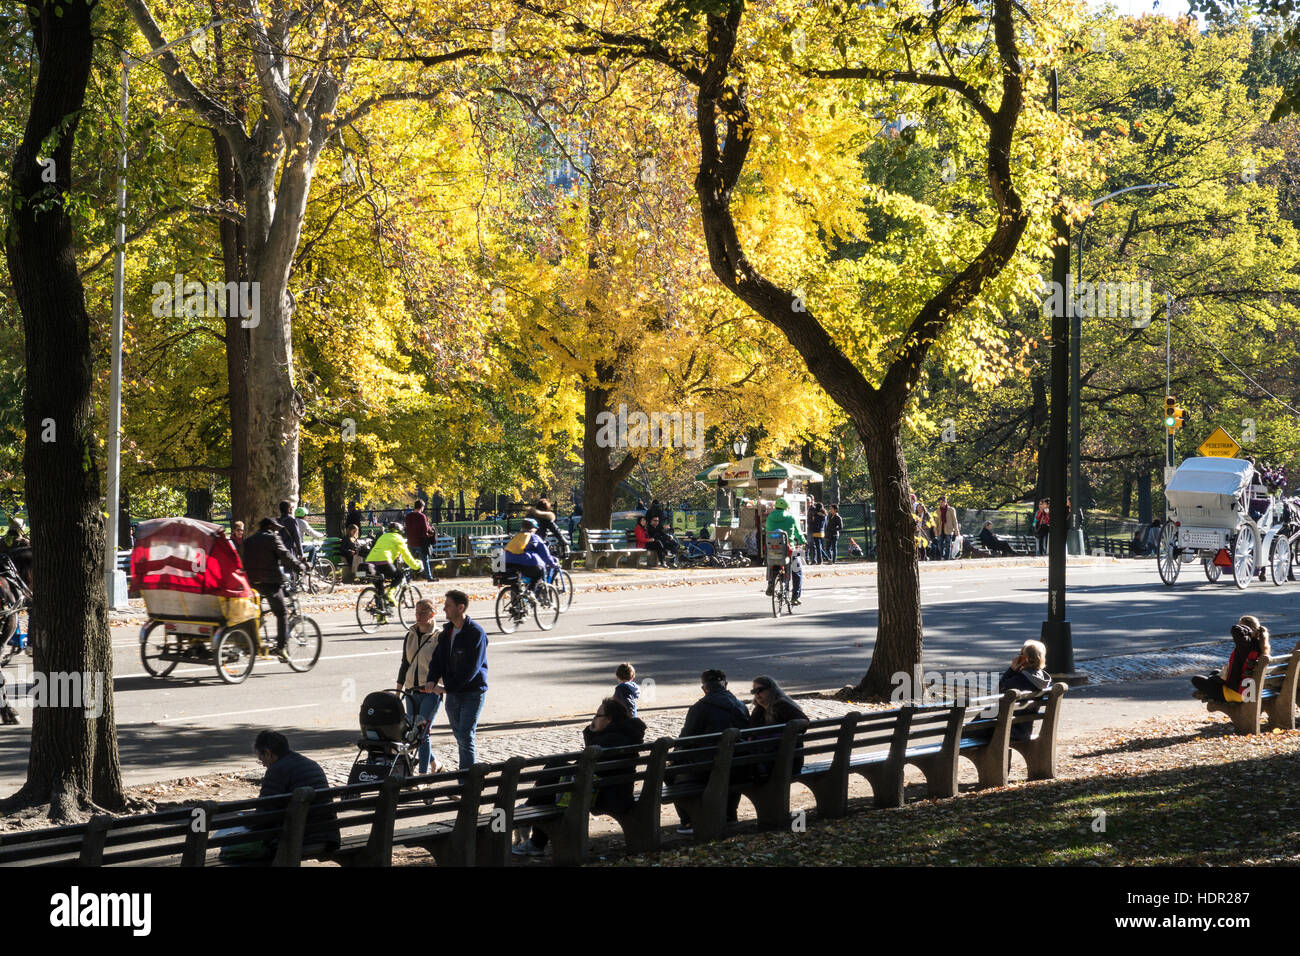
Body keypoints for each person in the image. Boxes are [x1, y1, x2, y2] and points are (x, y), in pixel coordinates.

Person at [513, 697, 648, 857]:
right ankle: (533, 826)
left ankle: (532, 824)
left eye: (597, 716)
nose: (594, 719)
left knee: (555, 768)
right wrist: (593, 732)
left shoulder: (609, 740)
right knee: (556, 776)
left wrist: (590, 733)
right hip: (616, 792)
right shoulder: (624, 736)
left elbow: (581, 767)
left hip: (606, 797)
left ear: (609, 719)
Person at [674, 669, 750, 833]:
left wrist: (675, 757)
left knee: (671, 772)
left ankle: (689, 820)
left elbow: (685, 739)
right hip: (741, 766)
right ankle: (729, 815)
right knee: (730, 765)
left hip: (709, 768)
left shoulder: (700, 708)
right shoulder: (741, 705)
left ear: (704, 688)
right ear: (726, 685)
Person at [426, 590, 488, 770]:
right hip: (453, 694)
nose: (444, 608)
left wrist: (447, 688)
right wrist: (431, 679)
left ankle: (467, 781)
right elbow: (437, 660)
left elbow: (471, 669)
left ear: (460, 608)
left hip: (472, 693)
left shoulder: (475, 633)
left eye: (448, 605)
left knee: (465, 735)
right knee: (460, 736)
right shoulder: (446, 632)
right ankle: (468, 776)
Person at [254, 730, 339, 853]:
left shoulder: (277, 770)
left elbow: (264, 815)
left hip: (297, 842)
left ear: (268, 753)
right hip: (328, 838)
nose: (263, 765)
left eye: (260, 759)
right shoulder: (311, 764)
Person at [241, 518, 305, 659]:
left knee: (256, 613)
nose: (277, 530)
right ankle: (281, 648)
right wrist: (300, 566)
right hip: (270, 582)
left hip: (251, 583)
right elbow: (285, 555)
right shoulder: (272, 538)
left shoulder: (249, 540)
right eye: (276, 528)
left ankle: (250, 640)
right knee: (282, 613)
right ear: (270, 527)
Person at [396, 598, 445, 775]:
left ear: (433, 614)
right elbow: (404, 664)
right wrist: (398, 690)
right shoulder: (410, 634)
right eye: (417, 612)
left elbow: (444, 665)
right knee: (413, 734)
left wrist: (442, 687)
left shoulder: (439, 637)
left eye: (424, 612)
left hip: (431, 691)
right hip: (411, 691)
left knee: (421, 733)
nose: (419, 615)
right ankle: (435, 764)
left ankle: (422, 776)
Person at [1192, 617, 1269, 704]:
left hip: (1238, 694)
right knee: (1215, 673)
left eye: (1240, 624)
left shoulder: (1246, 645)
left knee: (1196, 679)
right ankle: (1208, 693)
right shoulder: (1261, 645)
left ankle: (1208, 694)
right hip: (1250, 691)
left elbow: (1235, 630)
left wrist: (1248, 631)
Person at [748, 675, 808, 778]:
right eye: (754, 692)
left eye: (760, 690)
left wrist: (786, 732)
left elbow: (804, 722)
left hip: (787, 763)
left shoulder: (782, 706)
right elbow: (750, 732)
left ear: (771, 690)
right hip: (773, 760)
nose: (757, 694)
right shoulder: (759, 710)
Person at [1000, 640, 1052, 742]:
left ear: (1025, 659)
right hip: (1024, 730)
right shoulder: (1042, 679)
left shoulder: (1020, 679)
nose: (1017, 657)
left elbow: (999, 688)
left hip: (1008, 730)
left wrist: (1012, 670)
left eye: (1020, 655)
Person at [364, 522, 421, 614]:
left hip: (370, 563)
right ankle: (391, 593)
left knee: (380, 591)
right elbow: (407, 557)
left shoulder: (383, 536)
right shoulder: (398, 538)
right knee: (399, 576)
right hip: (384, 562)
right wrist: (417, 566)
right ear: (400, 531)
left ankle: (381, 616)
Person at [764, 497, 805, 605]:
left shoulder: (769, 517)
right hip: (788, 549)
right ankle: (795, 597)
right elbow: (798, 532)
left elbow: (767, 529)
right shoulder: (791, 517)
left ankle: (770, 583)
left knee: (771, 563)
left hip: (772, 549)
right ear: (787, 507)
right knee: (797, 570)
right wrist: (803, 541)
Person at [503, 517, 559, 593]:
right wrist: (552, 564)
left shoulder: (516, 537)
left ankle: (516, 599)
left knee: (516, 579)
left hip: (508, 562)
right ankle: (531, 592)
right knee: (538, 573)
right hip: (525, 562)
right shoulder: (534, 537)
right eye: (535, 528)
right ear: (533, 528)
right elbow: (544, 554)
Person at [404, 499, 436, 581]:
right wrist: (430, 533)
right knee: (425, 560)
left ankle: (406, 578)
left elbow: (407, 528)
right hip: (420, 542)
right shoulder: (422, 516)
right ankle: (429, 577)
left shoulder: (408, 516)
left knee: (408, 561)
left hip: (410, 541)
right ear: (421, 507)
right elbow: (425, 529)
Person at [936, 495, 959, 560]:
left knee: (948, 545)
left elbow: (955, 521)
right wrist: (935, 530)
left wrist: (956, 530)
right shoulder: (937, 511)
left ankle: (947, 558)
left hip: (949, 530)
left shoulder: (951, 510)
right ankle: (942, 555)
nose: (941, 503)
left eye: (942, 502)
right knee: (940, 545)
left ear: (945, 502)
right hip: (940, 529)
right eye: (940, 502)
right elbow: (936, 521)